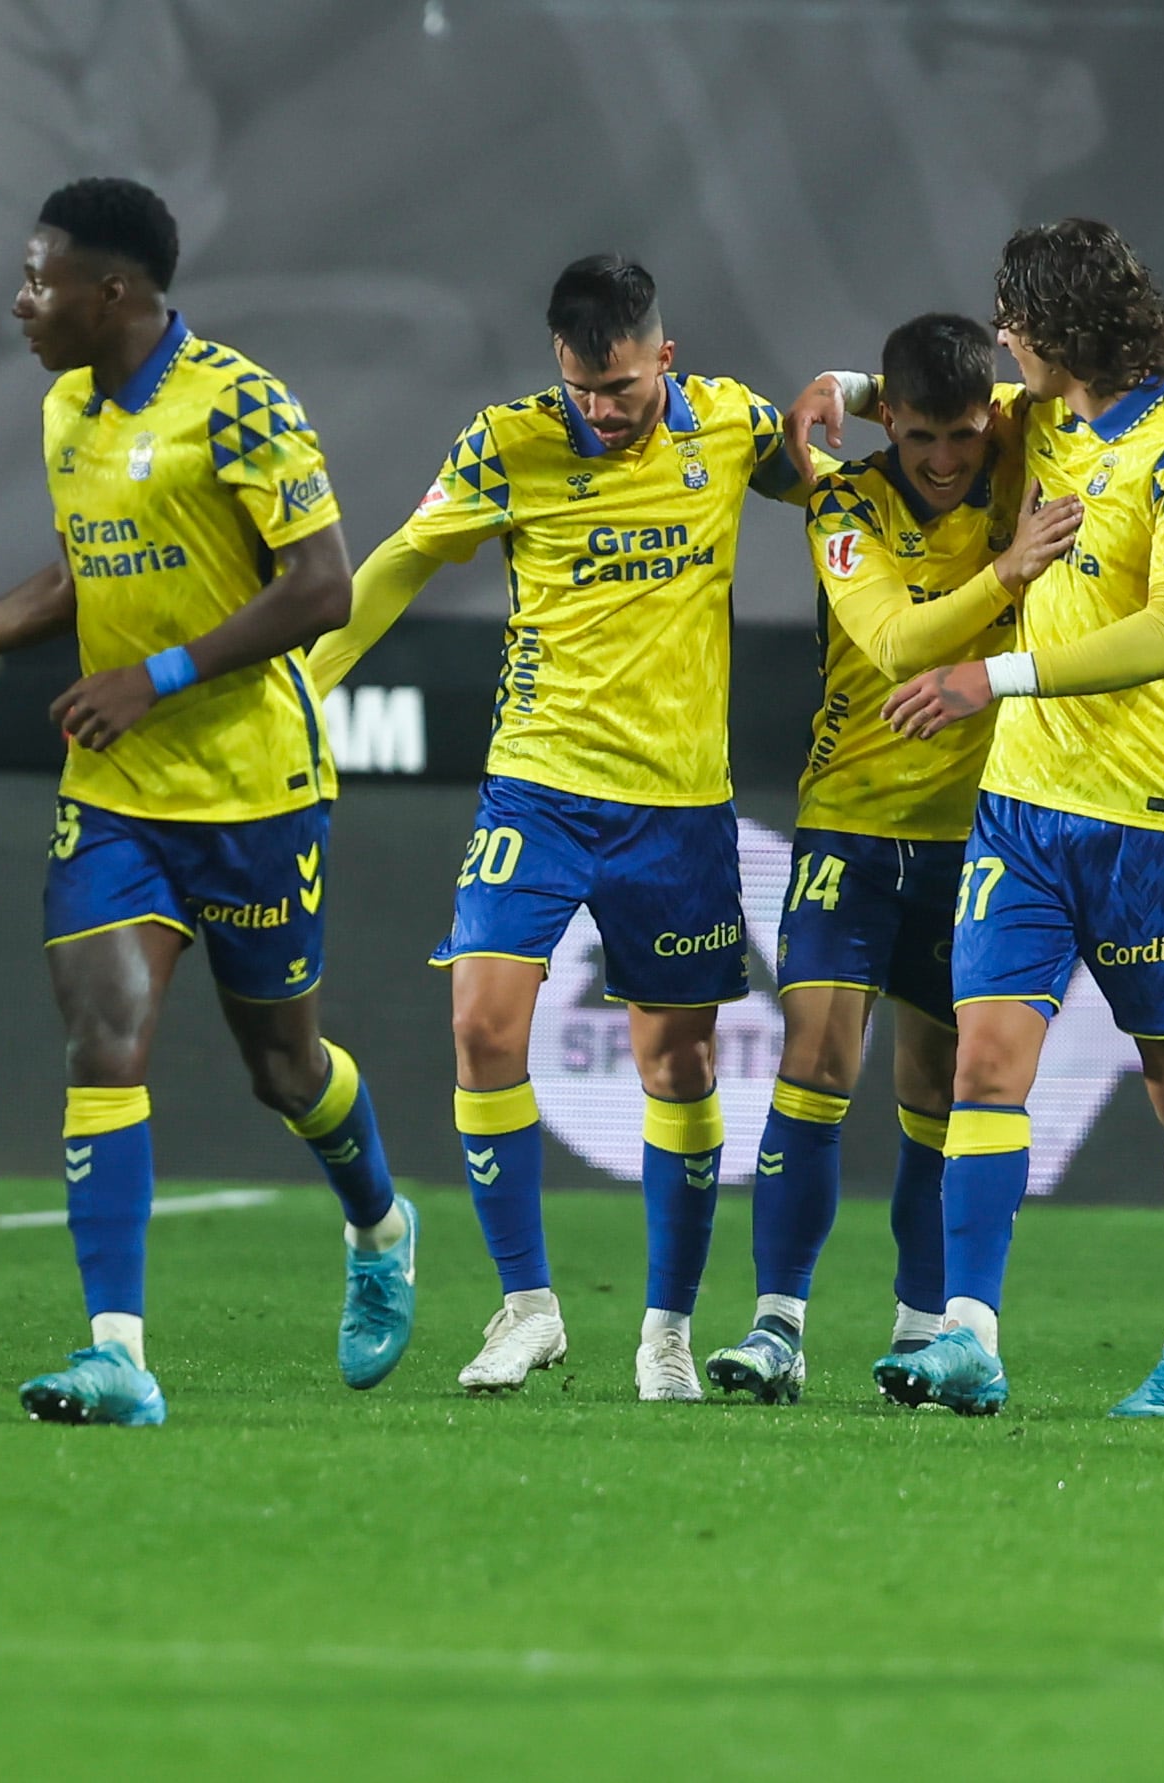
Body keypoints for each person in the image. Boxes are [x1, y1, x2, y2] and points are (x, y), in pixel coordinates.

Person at [0, 177, 415, 1427]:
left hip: (254, 791)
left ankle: (379, 1222)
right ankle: (117, 1354)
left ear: (113, 292)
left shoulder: (240, 402)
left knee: (283, 1067)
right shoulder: (65, 409)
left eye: (39, 280)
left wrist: (155, 678)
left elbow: (321, 585)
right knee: (105, 1035)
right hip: (115, 795)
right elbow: (77, 575)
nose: (19, 301)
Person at [305, 257, 809, 1402]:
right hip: (535, 786)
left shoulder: (729, 426)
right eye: (583, 387)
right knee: (482, 1026)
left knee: (675, 1062)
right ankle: (527, 1306)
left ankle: (667, 1333)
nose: (601, 409)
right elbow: (400, 562)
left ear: (664, 359)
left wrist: (859, 393)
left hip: (677, 810)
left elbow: (855, 482)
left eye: (622, 386)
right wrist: (310, 679)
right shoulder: (507, 443)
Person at [727, 320, 1164, 1406]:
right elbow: (903, 646)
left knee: (945, 1086)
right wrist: (1003, 568)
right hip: (854, 821)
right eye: (920, 434)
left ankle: (939, 1329)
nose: (946, 458)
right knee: (823, 1057)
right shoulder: (851, 501)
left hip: (994, 823)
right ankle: (782, 1322)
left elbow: (1104, 412)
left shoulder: (1033, 439)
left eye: (963, 433)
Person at [873, 219, 1164, 1419]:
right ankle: (972, 1335)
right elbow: (922, 388)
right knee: (983, 1064)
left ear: (1055, 328)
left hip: (1150, 821)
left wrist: (998, 679)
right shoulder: (1040, 419)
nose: (1001, 342)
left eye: (1013, 322)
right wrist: (833, 392)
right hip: (1021, 816)